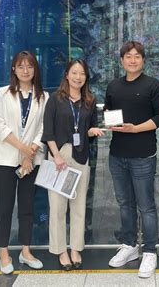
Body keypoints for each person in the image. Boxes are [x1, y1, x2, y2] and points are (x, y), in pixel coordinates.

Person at [105, 41, 159, 278]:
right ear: (122, 60)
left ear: (143, 60)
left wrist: (136, 128)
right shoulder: (113, 86)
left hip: (143, 155)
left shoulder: (153, 85)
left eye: (137, 56)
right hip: (117, 155)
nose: (132, 60)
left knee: (146, 206)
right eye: (128, 56)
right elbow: (109, 113)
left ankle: (150, 251)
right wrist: (110, 123)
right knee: (125, 203)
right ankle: (130, 245)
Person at [0, 50, 49, 274]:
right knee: (5, 206)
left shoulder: (43, 96)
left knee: (27, 207)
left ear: (35, 70)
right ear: (14, 69)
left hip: (31, 161)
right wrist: (25, 150)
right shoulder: (3, 93)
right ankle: (4, 252)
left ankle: (25, 251)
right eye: (21, 66)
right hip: (5, 159)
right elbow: (0, 126)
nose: (25, 70)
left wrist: (30, 153)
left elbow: (44, 127)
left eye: (30, 66)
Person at [42, 59, 104, 270]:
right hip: (59, 156)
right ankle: (61, 250)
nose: (78, 77)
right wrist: (56, 156)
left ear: (86, 77)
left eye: (82, 73)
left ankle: (76, 248)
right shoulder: (55, 99)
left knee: (78, 206)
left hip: (80, 156)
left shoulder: (89, 101)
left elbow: (89, 129)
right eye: (74, 73)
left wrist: (92, 131)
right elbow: (48, 132)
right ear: (67, 75)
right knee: (57, 207)